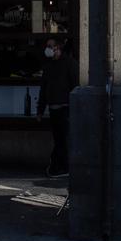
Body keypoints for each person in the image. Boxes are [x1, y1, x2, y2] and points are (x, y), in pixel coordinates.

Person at [36, 38, 78, 178]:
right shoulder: (48, 66)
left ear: (57, 48)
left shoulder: (69, 64)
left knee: (63, 140)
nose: (47, 49)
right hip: (54, 108)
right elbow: (44, 89)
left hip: (65, 108)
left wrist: (75, 107)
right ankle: (59, 166)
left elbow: (75, 85)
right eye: (47, 46)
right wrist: (40, 110)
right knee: (59, 139)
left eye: (50, 46)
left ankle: (61, 167)